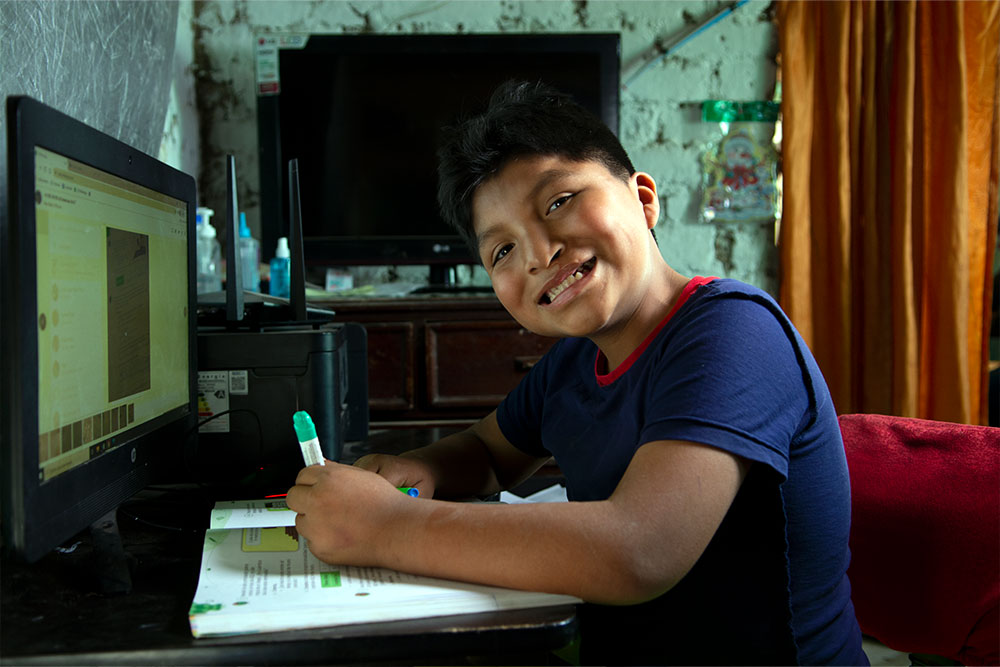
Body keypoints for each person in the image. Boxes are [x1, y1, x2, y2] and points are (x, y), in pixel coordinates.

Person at [286, 81, 867, 665]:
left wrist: (388, 526)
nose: (539, 254)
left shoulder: (735, 332)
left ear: (643, 199)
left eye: (558, 202)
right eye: (502, 252)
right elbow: (488, 453)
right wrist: (421, 468)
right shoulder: (573, 362)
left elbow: (638, 552)